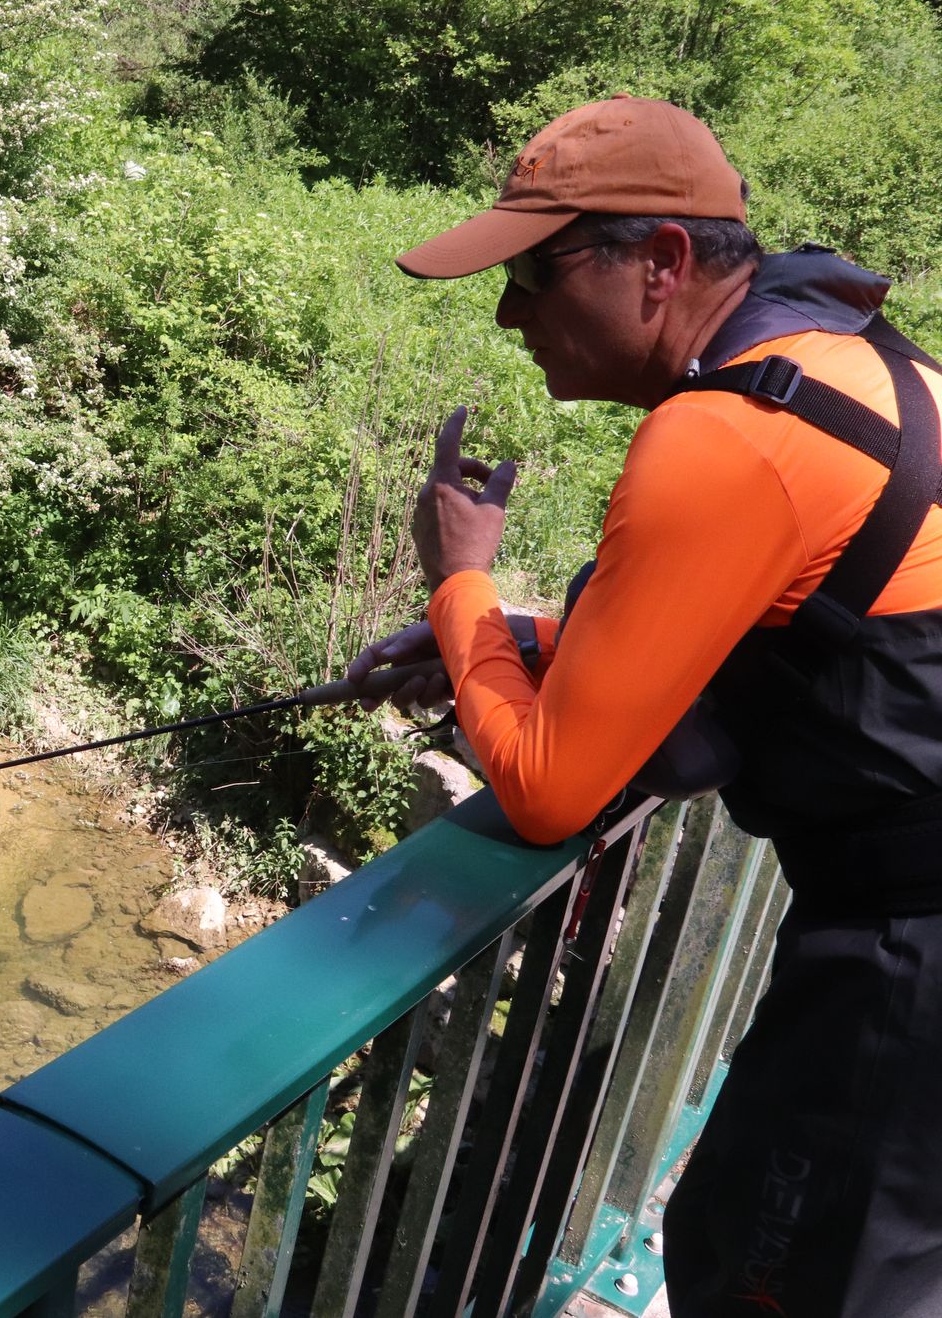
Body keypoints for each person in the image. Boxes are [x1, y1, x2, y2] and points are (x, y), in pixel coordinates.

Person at [346, 96, 942, 1317]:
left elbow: (551, 786)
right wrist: (514, 640)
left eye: (534, 273)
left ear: (660, 263)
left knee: (766, 1272)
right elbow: (817, 623)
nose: (509, 312)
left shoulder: (728, 434)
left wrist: (460, 577)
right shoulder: (861, 369)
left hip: (910, 956)